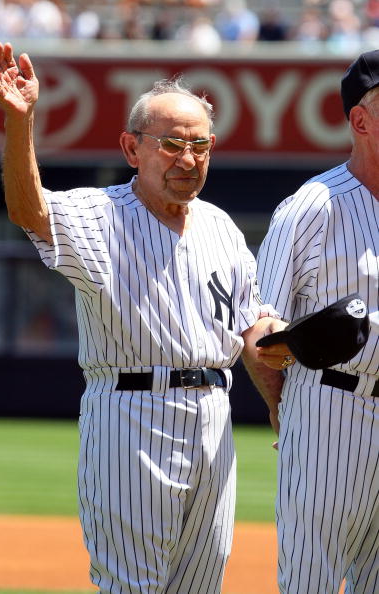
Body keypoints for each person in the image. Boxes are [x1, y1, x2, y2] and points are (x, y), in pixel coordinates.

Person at [0, 41, 292, 594]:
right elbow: (28, 209)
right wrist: (20, 121)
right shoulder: (100, 214)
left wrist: (281, 403)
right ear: (132, 148)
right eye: (171, 144)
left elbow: (252, 329)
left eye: (199, 145)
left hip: (213, 418)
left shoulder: (222, 227)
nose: (188, 158)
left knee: (201, 585)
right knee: (132, 586)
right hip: (133, 416)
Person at [244, 49, 379, 593]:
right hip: (331, 408)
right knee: (311, 581)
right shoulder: (314, 206)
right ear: (361, 120)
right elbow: (260, 326)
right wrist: (284, 409)